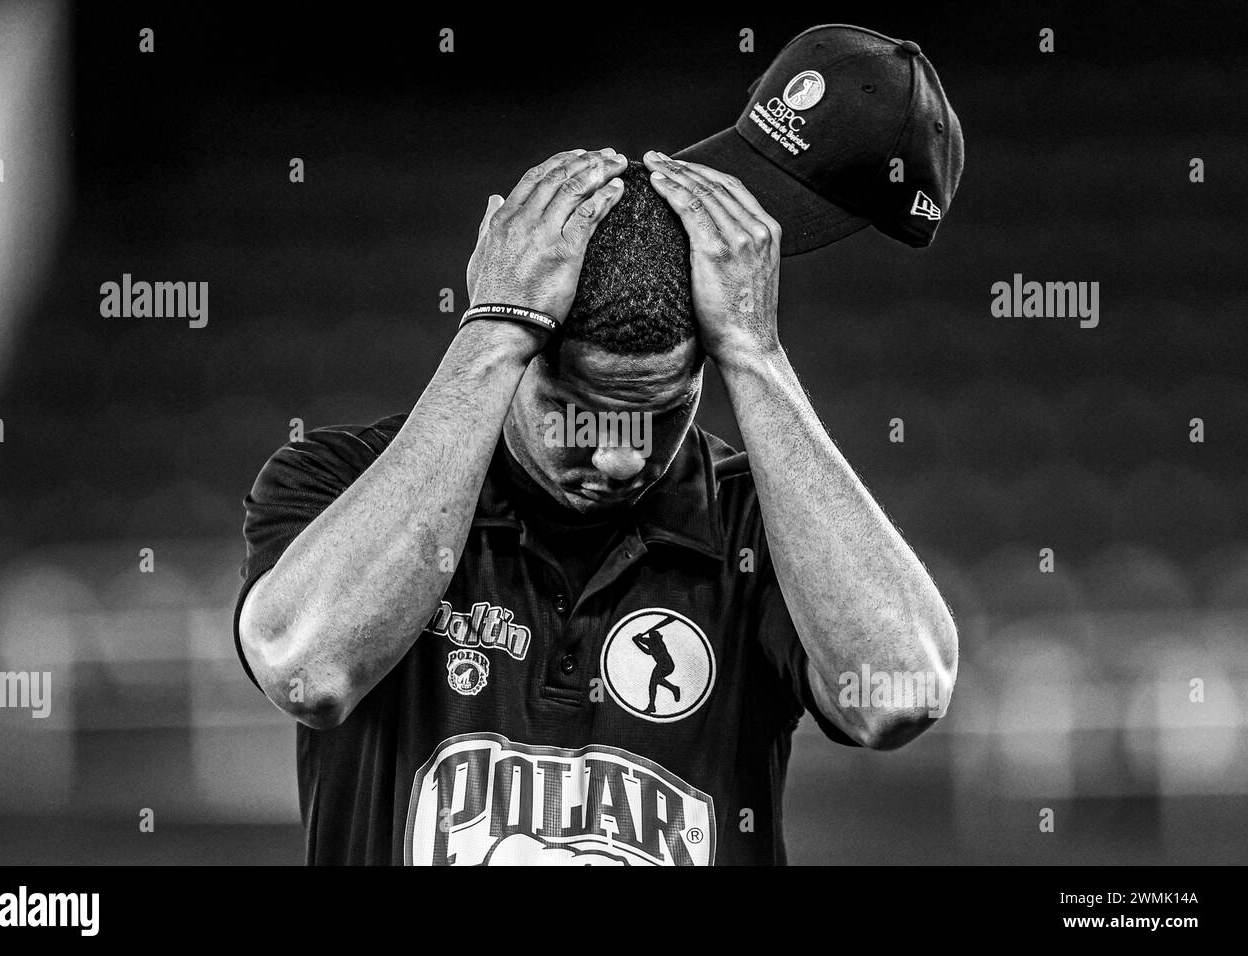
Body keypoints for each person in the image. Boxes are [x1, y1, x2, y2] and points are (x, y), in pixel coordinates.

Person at [235, 24, 964, 866]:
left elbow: (900, 695)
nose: (619, 456)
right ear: (518, 358)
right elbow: (307, 672)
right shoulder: (335, 479)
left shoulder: (755, 529)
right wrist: (489, 331)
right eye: (579, 411)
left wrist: (757, 356)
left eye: (660, 413)